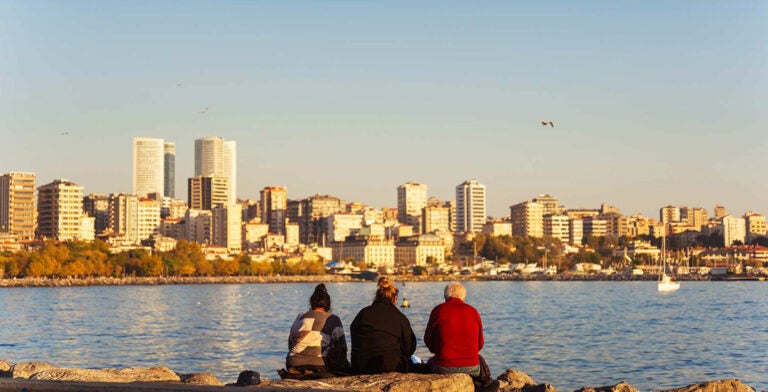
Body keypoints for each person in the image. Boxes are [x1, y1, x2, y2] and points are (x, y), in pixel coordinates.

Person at [424, 282, 494, 390]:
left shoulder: (438, 310)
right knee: (480, 360)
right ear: (463, 296)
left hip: (444, 366)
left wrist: (439, 352)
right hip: (472, 367)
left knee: (429, 363)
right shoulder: (473, 311)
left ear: (445, 296)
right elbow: (480, 344)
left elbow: (428, 340)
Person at [281, 283, 350, 379]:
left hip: (292, 363)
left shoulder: (300, 316)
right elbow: (342, 349)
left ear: (311, 303)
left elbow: (290, 344)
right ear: (329, 305)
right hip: (318, 365)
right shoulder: (333, 319)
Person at [350, 277, 416, 374]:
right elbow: (409, 347)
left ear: (377, 297)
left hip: (360, 366)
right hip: (389, 366)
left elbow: (354, 336)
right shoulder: (399, 316)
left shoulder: (363, 313)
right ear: (394, 299)